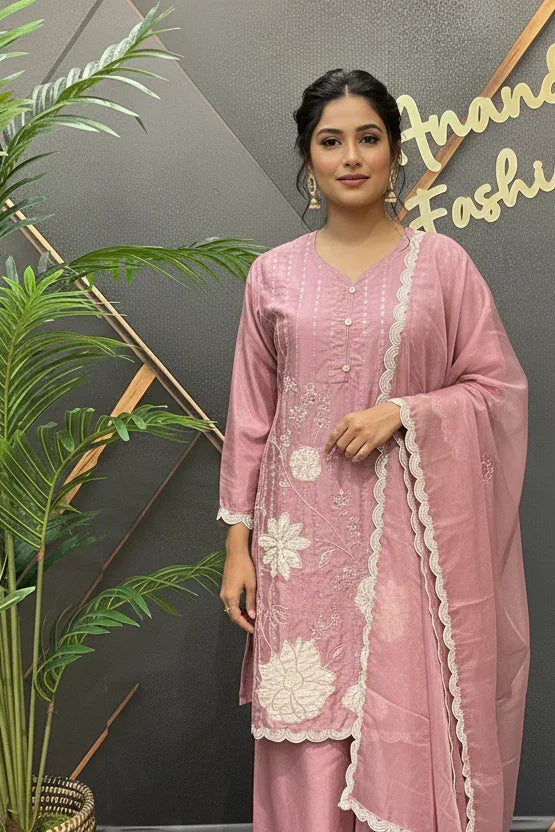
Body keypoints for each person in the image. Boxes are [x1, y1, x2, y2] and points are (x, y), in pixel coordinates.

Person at [217, 68, 530, 832]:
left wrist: (403, 412)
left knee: (403, 719)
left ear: (393, 153)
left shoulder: (442, 266)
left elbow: (496, 392)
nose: (350, 155)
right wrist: (238, 545)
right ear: (307, 155)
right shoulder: (273, 277)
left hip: (410, 554)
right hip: (300, 549)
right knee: (310, 729)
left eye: (368, 138)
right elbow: (252, 416)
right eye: (331, 141)